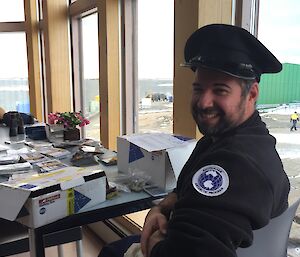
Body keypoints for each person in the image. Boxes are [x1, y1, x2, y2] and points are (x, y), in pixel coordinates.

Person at [98, 24, 290, 257]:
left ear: (251, 94)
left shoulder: (235, 163)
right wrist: (161, 207)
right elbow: (184, 190)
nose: (203, 102)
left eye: (220, 90)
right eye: (198, 89)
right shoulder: (228, 138)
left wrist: (156, 239)